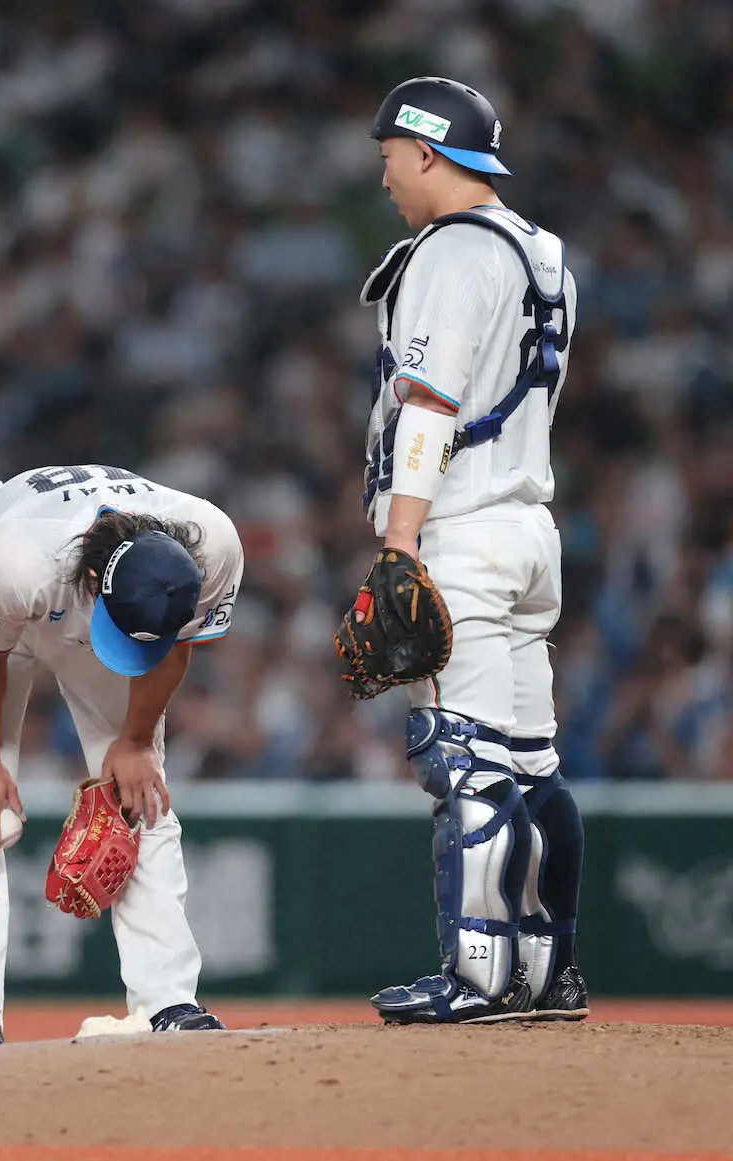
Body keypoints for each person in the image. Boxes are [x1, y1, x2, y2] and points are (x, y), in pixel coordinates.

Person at [357, 76, 587, 1023]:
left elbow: (430, 406)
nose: (384, 182)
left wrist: (402, 541)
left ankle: (482, 977)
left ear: (424, 151)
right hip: (531, 528)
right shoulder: (544, 252)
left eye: (387, 160)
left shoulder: (452, 251)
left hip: (462, 527)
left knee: (462, 758)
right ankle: (548, 972)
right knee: (533, 766)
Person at [0, 465, 243, 1050]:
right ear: (96, 581)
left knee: (142, 793)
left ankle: (170, 1001)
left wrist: (137, 741)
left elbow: (174, 650)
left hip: (107, 601)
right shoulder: (13, 563)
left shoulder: (211, 544)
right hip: (1, 592)